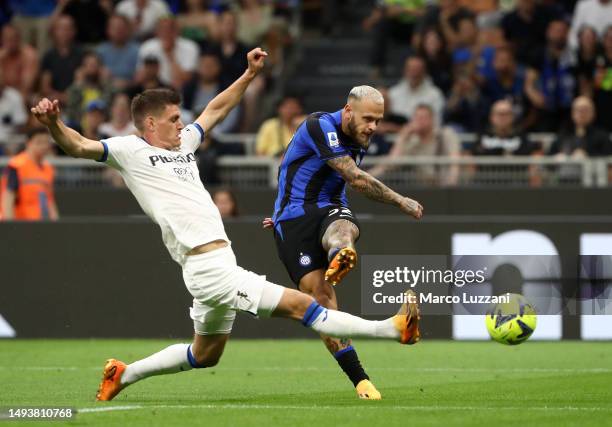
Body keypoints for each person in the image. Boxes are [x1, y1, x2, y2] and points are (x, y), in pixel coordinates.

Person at [30, 48, 421, 402]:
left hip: (217, 262)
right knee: (306, 304)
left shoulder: (182, 144)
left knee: (205, 355)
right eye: (173, 119)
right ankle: (393, 328)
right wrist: (52, 125)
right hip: (206, 267)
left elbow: (215, 111)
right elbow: (79, 145)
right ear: (150, 123)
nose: (182, 124)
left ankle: (123, 374)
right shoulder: (128, 150)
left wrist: (248, 76)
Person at [262, 85, 423, 400]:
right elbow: (355, 177)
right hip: (293, 219)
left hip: (329, 208)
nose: (373, 127)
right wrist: (401, 201)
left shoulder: (361, 133)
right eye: (368, 119)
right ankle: (361, 382)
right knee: (321, 301)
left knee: (342, 226)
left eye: (378, 120)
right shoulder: (319, 124)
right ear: (347, 111)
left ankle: (341, 252)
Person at [371, 103, 461, 186]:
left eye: (422, 118)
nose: (419, 121)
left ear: (432, 119)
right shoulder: (413, 142)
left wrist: (451, 186)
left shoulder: (445, 134)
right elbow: (392, 163)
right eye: (416, 118)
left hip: (445, 186)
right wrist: (402, 137)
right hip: (422, 189)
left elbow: (455, 162)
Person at [0, 127, 59, 221]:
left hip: (40, 226)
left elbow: (50, 200)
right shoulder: (16, 165)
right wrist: (11, 227)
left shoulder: (48, 169)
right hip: (21, 225)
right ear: (28, 143)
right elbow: (7, 199)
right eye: (39, 142)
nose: (43, 146)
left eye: (46, 142)